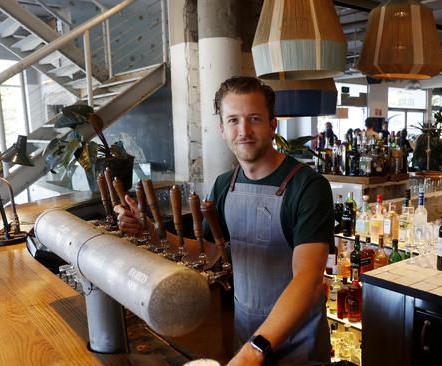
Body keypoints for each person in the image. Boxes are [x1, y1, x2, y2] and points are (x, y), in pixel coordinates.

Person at [115, 76, 334, 365]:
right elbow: (209, 251)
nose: (243, 130)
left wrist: (255, 349)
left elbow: (308, 278)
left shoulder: (308, 187)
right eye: (233, 120)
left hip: (298, 341)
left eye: (254, 118)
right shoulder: (224, 186)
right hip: (246, 334)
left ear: (272, 124)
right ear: (222, 129)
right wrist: (151, 232)